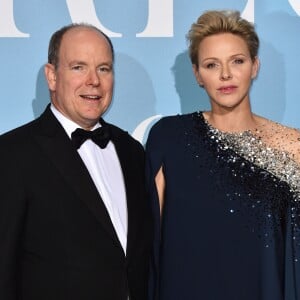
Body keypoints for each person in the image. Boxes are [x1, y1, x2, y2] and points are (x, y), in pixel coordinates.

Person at [146, 10, 300, 300]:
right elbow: (153, 244)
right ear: (197, 74)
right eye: (212, 64)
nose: (226, 75)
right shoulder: (170, 137)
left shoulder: (292, 146)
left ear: (255, 66)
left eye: (237, 61)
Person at [0, 23, 152, 300]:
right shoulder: (11, 154)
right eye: (78, 67)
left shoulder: (132, 151)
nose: (93, 80)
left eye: (103, 68)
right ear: (52, 77)